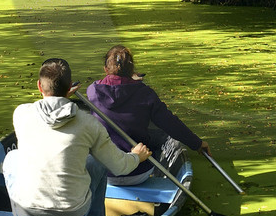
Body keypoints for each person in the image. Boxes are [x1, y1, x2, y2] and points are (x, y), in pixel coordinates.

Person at [3, 57, 150, 216]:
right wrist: (136, 157)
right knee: (96, 162)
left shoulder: (21, 114)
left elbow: (50, 114)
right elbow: (119, 167)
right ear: (69, 85)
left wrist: (62, 95)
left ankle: (13, 209)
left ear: (39, 86)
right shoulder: (89, 124)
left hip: (26, 215)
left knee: (12, 157)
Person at [85, 45, 210, 186]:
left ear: (105, 69)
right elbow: (170, 123)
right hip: (137, 173)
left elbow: (112, 86)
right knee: (157, 139)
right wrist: (197, 143)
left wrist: (128, 81)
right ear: (132, 70)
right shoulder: (146, 93)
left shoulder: (92, 91)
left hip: (104, 173)